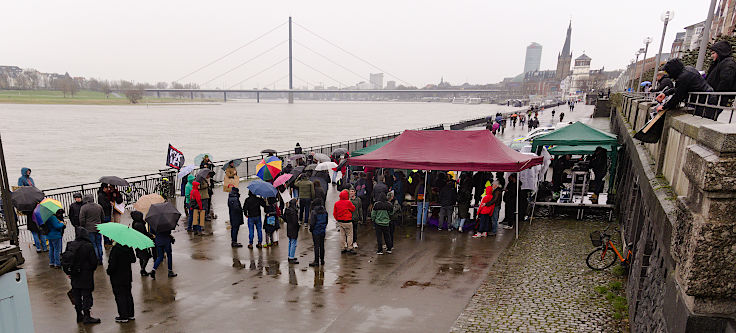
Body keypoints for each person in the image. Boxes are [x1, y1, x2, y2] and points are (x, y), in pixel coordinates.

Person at [66, 227, 101, 324]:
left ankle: (78, 314)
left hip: (74, 274)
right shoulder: (88, 246)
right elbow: (94, 262)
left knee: (76, 294)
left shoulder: (70, 245)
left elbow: (67, 260)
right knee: (86, 295)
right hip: (86, 275)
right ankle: (87, 315)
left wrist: (69, 272)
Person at [106, 242, 136, 323]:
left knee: (120, 296)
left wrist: (108, 271)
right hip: (127, 276)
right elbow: (133, 259)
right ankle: (130, 314)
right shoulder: (129, 247)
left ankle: (123, 316)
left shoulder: (115, 249)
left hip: (117, 277)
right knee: (128, 294)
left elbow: (112, 265)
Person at [79, 194, 104, 263]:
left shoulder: (84, 208)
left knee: (93, 244)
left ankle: (96, 258)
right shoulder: (99, 206)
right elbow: (102, 217)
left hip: (89, 229)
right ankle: (101, 259)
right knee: (99, 243)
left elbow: (82, 219)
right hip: (98, 228)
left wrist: (83, 226)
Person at [131, 211, 154, 276]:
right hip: (143, 243)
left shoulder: (135, 223)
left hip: (137, 243)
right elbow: (144, 233)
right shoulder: (139, 224)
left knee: (141, 257)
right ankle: (143, 269)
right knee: (146, 257)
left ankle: (143, 269)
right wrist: (150, 235)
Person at [334, 189, 356, 254]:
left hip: (340, 221)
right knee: (349, 235)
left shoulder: (337, 203)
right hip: (348, 221)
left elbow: (335, 213)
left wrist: (337, 219)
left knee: (342, 235)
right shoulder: (348, 202)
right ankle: (350, 248)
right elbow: (353, 208)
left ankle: (343, 248)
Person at [309, 198, 328, 267]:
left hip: (316, 231)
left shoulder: (314, 212)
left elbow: (312, 223)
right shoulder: (324, 211)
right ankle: (322, 260)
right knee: (322, 245)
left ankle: (316, 261)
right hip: (322, 230)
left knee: (316, 246)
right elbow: (326, 221)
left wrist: (311, 229)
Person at [284, 199, 300, 264]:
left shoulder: (287, 210)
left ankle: (290, 255)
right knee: (293, 242)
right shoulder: (293, 212)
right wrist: (298, 226)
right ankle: (291, 257)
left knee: (290, 242)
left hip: (289, 228)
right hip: (293, 229)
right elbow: (295, 222)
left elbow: (284, 218)